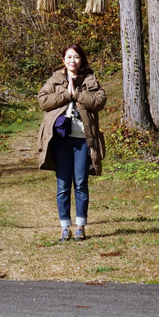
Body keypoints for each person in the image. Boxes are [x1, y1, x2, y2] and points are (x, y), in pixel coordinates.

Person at [37, 43, 107, 241]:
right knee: (63, 185)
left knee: (81, 184)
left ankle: (80, 226)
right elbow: (43, 101)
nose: (72, 61)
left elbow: (100, 101)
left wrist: (77, 94)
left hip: (83, 139)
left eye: (76, 57)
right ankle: (65, 227)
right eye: (68, 57)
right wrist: (66, 94)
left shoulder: (90, 79)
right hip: (60, 140)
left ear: (81, 60)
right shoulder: (56, 79)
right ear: (63, 60)